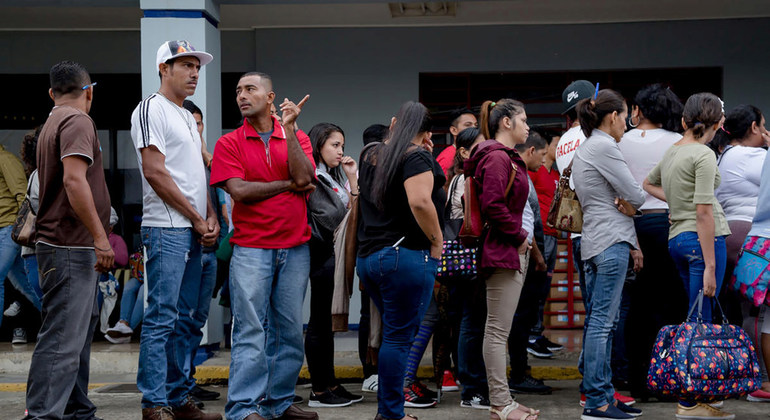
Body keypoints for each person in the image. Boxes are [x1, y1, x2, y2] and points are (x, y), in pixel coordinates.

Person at [210, 71, 319, 420]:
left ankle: (278, 401)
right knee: (251, 330)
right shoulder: (229, 143)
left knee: (288, 331)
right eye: (238, 90)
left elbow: (306, 178)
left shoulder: (295, 136)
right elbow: (239, 191)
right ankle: (243, 408)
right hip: (251, 248)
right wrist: (287, 184)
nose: (242, 95)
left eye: (250, 89)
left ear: (271, 97)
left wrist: (288, 130)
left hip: (295, 248)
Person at [130, 40, 221, 420]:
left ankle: (178, 396)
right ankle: (155, 404)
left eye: (197, 67)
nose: (195, 73)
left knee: (186, 321)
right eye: (185, 65)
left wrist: (211, 214)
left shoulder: (185, 115)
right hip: (168, 228)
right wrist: (196, 217)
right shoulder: (151, 108)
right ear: (164, 69)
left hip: (195, 228)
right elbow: (155, 172)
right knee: (162, 317)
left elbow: (198, 174)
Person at [23, 60, 113, 420]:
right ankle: (44, 414)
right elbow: (74, 182)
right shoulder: (78, 121)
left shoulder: (51, 122)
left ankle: (78, 409)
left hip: (62, 245)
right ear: (89, 91)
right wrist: (100, 238)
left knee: (75, 331)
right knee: (62, 337)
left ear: (52, 93)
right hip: (70, 245)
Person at [644, 92, 733, 420]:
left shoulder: (673, 152)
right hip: (702, 242)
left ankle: (700, 393)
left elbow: (647, 184)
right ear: (718, 123)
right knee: (700, 321)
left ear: (684, 121)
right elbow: (705, 212)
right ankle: (691, 400)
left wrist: (676, 203)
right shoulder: (704, 155)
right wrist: (710, 264)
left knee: (696, 315)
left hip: (677, 240)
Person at [356, 101, 444, 420]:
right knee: (399, 337)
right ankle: (391, 414)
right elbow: (420, 201)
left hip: (370, 258)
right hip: (405, 257)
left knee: (393, 334)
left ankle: (390, 411)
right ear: (427, 133)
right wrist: (437, 240)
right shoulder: (416, 156)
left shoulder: (370, 153)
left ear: (393, 123)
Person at [464, 98, 539, 420]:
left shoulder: (501, 156)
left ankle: (503, 400)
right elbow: (493, 205)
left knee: (498, 330)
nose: (528, 126)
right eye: (523, 120)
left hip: (507, 251)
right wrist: (520, 237)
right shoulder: (497, 157)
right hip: (502, 252)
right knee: (496, 331)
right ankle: (500, 404)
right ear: (506, 122)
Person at [572, 89, 645, 420]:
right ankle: (598, 401)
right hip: (610, 241)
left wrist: (628, 201)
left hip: (594, 240)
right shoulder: (604, 145)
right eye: (625, 115)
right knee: (603, 322)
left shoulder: (587, 145)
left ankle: (597, 395)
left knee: (598, 321)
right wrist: (632, 202)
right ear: (613, 115)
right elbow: (635, 194)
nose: (627, 122)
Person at [618, 83, 688, 399]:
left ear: (638, 111)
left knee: (636, 306)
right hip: (668, 223)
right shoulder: (677, 141)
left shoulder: (621, 140)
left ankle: (637, 380)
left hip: (631, 224)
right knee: (671, 303)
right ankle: (668, 378)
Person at [304, 122, 363, 408]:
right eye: (334, 145)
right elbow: (333, 216)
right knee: (318, 322)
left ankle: (330, 382)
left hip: (334, 255)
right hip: (321, 254)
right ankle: (318, 389)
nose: (340, 151)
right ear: (319, 146)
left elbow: (352, 210)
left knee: (326, 324)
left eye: (342, 145)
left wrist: (352, 180)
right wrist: (351, 194)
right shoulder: (314, 177)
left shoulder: (331, 176)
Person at [182, 99, 224, 404]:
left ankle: (188, 379)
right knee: (181, 319)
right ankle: (178, 386)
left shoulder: (210, 162)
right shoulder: (177, 160)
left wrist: (207, 156)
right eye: (191, 123)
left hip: (212, 248)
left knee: (197, 320)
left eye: (199, 123)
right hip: (188, 249)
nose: (196, 129)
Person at [712, 105, 769, 325]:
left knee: (742, 308)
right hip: (750, 237)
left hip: (728, 233)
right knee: (760, 311)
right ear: (754, 127)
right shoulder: (750, 155)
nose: (765, 131)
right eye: (763, 126)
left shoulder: (726, 154)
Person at [508, 131, 553, 395]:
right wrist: (539, 258)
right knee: (521, 318)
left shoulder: (521, 175)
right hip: (526, 256)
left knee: (522, 318)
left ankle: (520, 371)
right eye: (543, 154)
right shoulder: (520, 176)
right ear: (531, 151)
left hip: (529, 255)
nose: (545, 160)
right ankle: (518, 373)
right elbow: (527, 224)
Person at [5, 127, 44, 345]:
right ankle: (20, 326)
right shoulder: (39, 176)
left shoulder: (34, 175)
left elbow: (24, 199)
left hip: (27, 242)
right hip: (33, 246)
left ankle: (21, 326)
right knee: (27, 286)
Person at [359, 122, 390, 395]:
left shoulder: (362, 171)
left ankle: (373, 372)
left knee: (373, 315)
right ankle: (370, 372)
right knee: (371, 316)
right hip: (374, 253)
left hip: (367, 254)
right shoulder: (372, 165)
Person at [527, 129, 564, 357]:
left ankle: (537, 333)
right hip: (539, 238)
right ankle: (530, 336)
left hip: (553, 235)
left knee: (544, 289)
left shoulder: (555, 174)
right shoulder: (535, 170)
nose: (561, 150)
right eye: (557, 145)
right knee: (535, 288)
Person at [0, 127, 35, 337]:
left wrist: (20, 230)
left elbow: (23, 195)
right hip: (3, 229)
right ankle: (59, 323)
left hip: (9, 229)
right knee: (27, 285)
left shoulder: (5, 159)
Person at [105, 250, 145, 344]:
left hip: (155, 276)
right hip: (141, 275)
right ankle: (123, 322)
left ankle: (126, 332)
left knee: (143, 292)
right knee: (129, 287)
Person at [435, 108, 478, 176]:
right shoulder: (447, 158)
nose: (474, 128)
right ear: (454, 130)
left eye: (476, 125)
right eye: (468, 125)